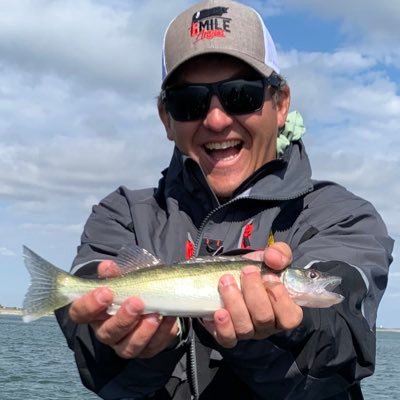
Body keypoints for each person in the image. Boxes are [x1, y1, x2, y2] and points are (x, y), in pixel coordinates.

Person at [55, 1, 394, 399]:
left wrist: (287, 333)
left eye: (240, 94)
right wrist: (122, 345)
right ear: (166, 118)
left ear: (280, 104)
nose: (216, 120)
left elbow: (344, 340)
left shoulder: (343, 215)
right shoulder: (121, 213)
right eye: (189, 102)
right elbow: (92, 345)